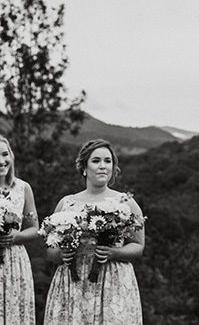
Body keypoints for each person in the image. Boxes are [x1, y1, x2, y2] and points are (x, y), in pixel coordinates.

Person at [44, 139, 145, 324]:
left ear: (113, 167)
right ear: (84, 167)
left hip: (112, 282)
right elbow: (50, 251)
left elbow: (138, 246)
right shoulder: (67, 203)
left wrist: (114, 253)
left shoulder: (126, 203)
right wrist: (61, 254)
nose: (103, 166)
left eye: (108, 161)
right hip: (72, 283)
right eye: (96, 161)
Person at [0, 136, 38, 324]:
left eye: (4, 154)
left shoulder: (23, 188)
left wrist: (17, 236)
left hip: (15, 262)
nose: (1, 161)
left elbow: (35, 229)